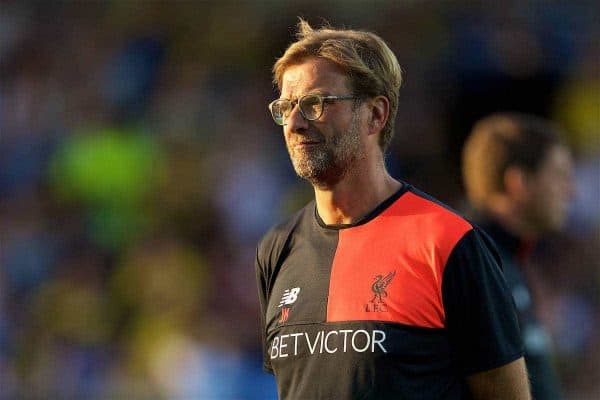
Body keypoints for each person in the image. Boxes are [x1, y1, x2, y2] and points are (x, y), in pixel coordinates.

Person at [256, 19, 531, 400]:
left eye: (316, 104)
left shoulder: (449, 243)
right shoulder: (276, 249)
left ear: (376, 114)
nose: (296, 123)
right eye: (287, 107)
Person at [462, 112, 575, 400]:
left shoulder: (506, 258)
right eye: (559, 176)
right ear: (519, 182)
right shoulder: (475, 262)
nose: (571, 193)